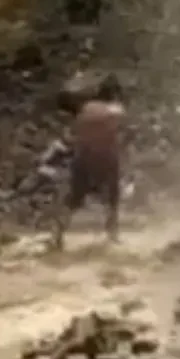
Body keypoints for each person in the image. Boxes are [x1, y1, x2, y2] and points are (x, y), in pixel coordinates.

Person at [52, 75, 125, 251]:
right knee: (113, 196)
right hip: (106, 157)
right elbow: (120, 129)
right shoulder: (116, 109)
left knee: (74, 197)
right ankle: (112, 233)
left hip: (83, 155)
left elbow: (76, 131)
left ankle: (57, 234)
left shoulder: (86, 108)